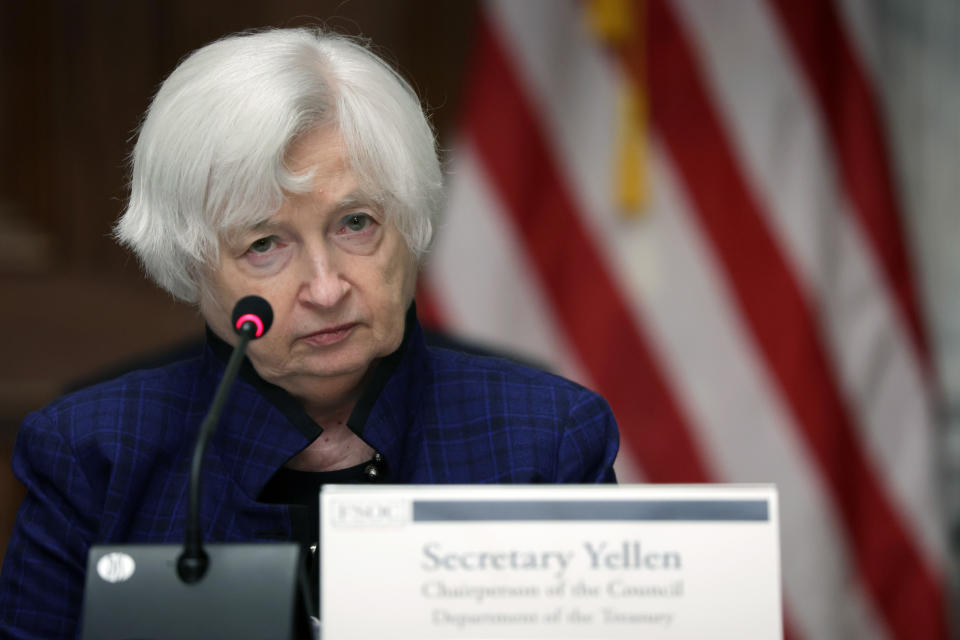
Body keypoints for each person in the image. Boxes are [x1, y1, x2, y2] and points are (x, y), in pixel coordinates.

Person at [0, 27, 619, 638]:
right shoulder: (91, 454)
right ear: (189, 263)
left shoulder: (544, 439)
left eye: (356, 223)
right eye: (264, 243)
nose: (325, 289)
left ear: (411, 222)